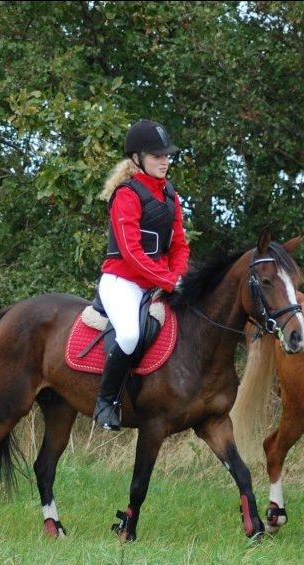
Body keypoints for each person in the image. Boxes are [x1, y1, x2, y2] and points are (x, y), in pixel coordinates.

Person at [93, 119, 190, 431]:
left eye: (167, 156)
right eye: (157, 156)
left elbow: (179, 246)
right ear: (137, 158)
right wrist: (168, 281)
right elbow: (132, 254)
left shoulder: (171, 196)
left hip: (157, 283)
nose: (165, 161)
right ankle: (106, 403)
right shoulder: (126, 195)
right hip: (122, 282)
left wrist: (176, 277)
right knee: (131, 335)